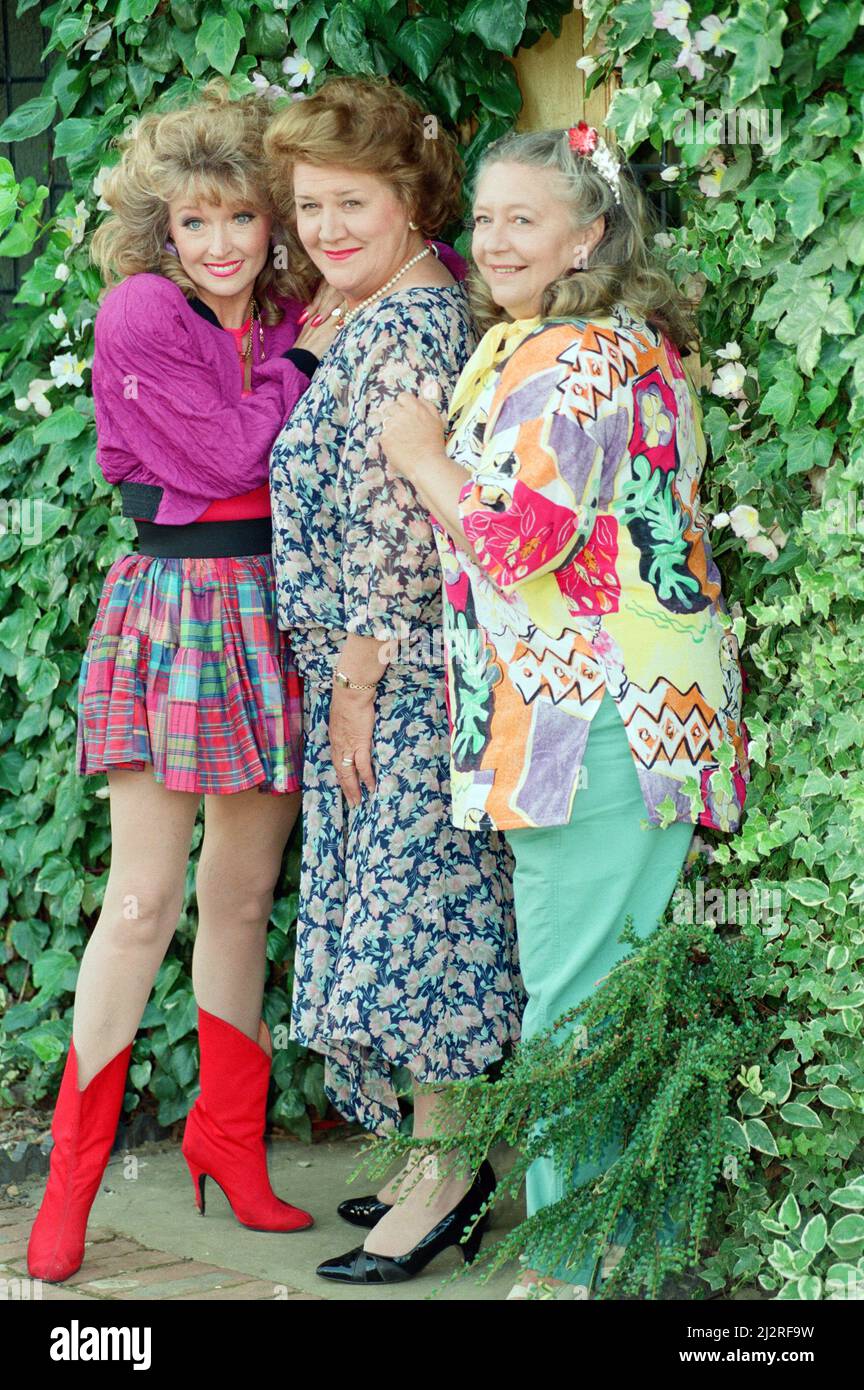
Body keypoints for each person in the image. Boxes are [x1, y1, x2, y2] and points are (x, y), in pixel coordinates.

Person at [380, 122, 750, 1298]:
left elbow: (519, 538)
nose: (492, 240)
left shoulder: (575, 357)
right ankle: (613, 1264)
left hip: (590, 723)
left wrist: (418, 452)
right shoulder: (586, 343)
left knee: (577, 1012)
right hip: (630, 719)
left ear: (588, 233)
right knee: (610, 1000)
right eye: (483, 219)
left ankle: (562, 1275)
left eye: (522, 219)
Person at [27, 82, 341, 1284]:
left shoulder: (284, 309)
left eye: (243, 220)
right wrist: (304, 357)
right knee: (142, 904)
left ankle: (230, 1142)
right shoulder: (141, 311)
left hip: (273, 608)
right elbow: (220, 454)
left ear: (275, 225)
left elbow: (429, 251)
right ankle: (74, 1174)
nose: (219, 245)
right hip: (174, 608)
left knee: (246, 897)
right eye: (194, 222)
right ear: (163, 231)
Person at [263, 76, 523, 1285]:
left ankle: (455, 1172)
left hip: (404, 678)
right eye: (310, 205)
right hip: (378, 674)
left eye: (350, 202)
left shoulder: (407, 327)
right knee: (402, 921)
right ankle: (431, 1159)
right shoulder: (384, 311)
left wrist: (358, 677)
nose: (324, 229)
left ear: (412, 199)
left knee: (423, 926)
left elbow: (401, 523)